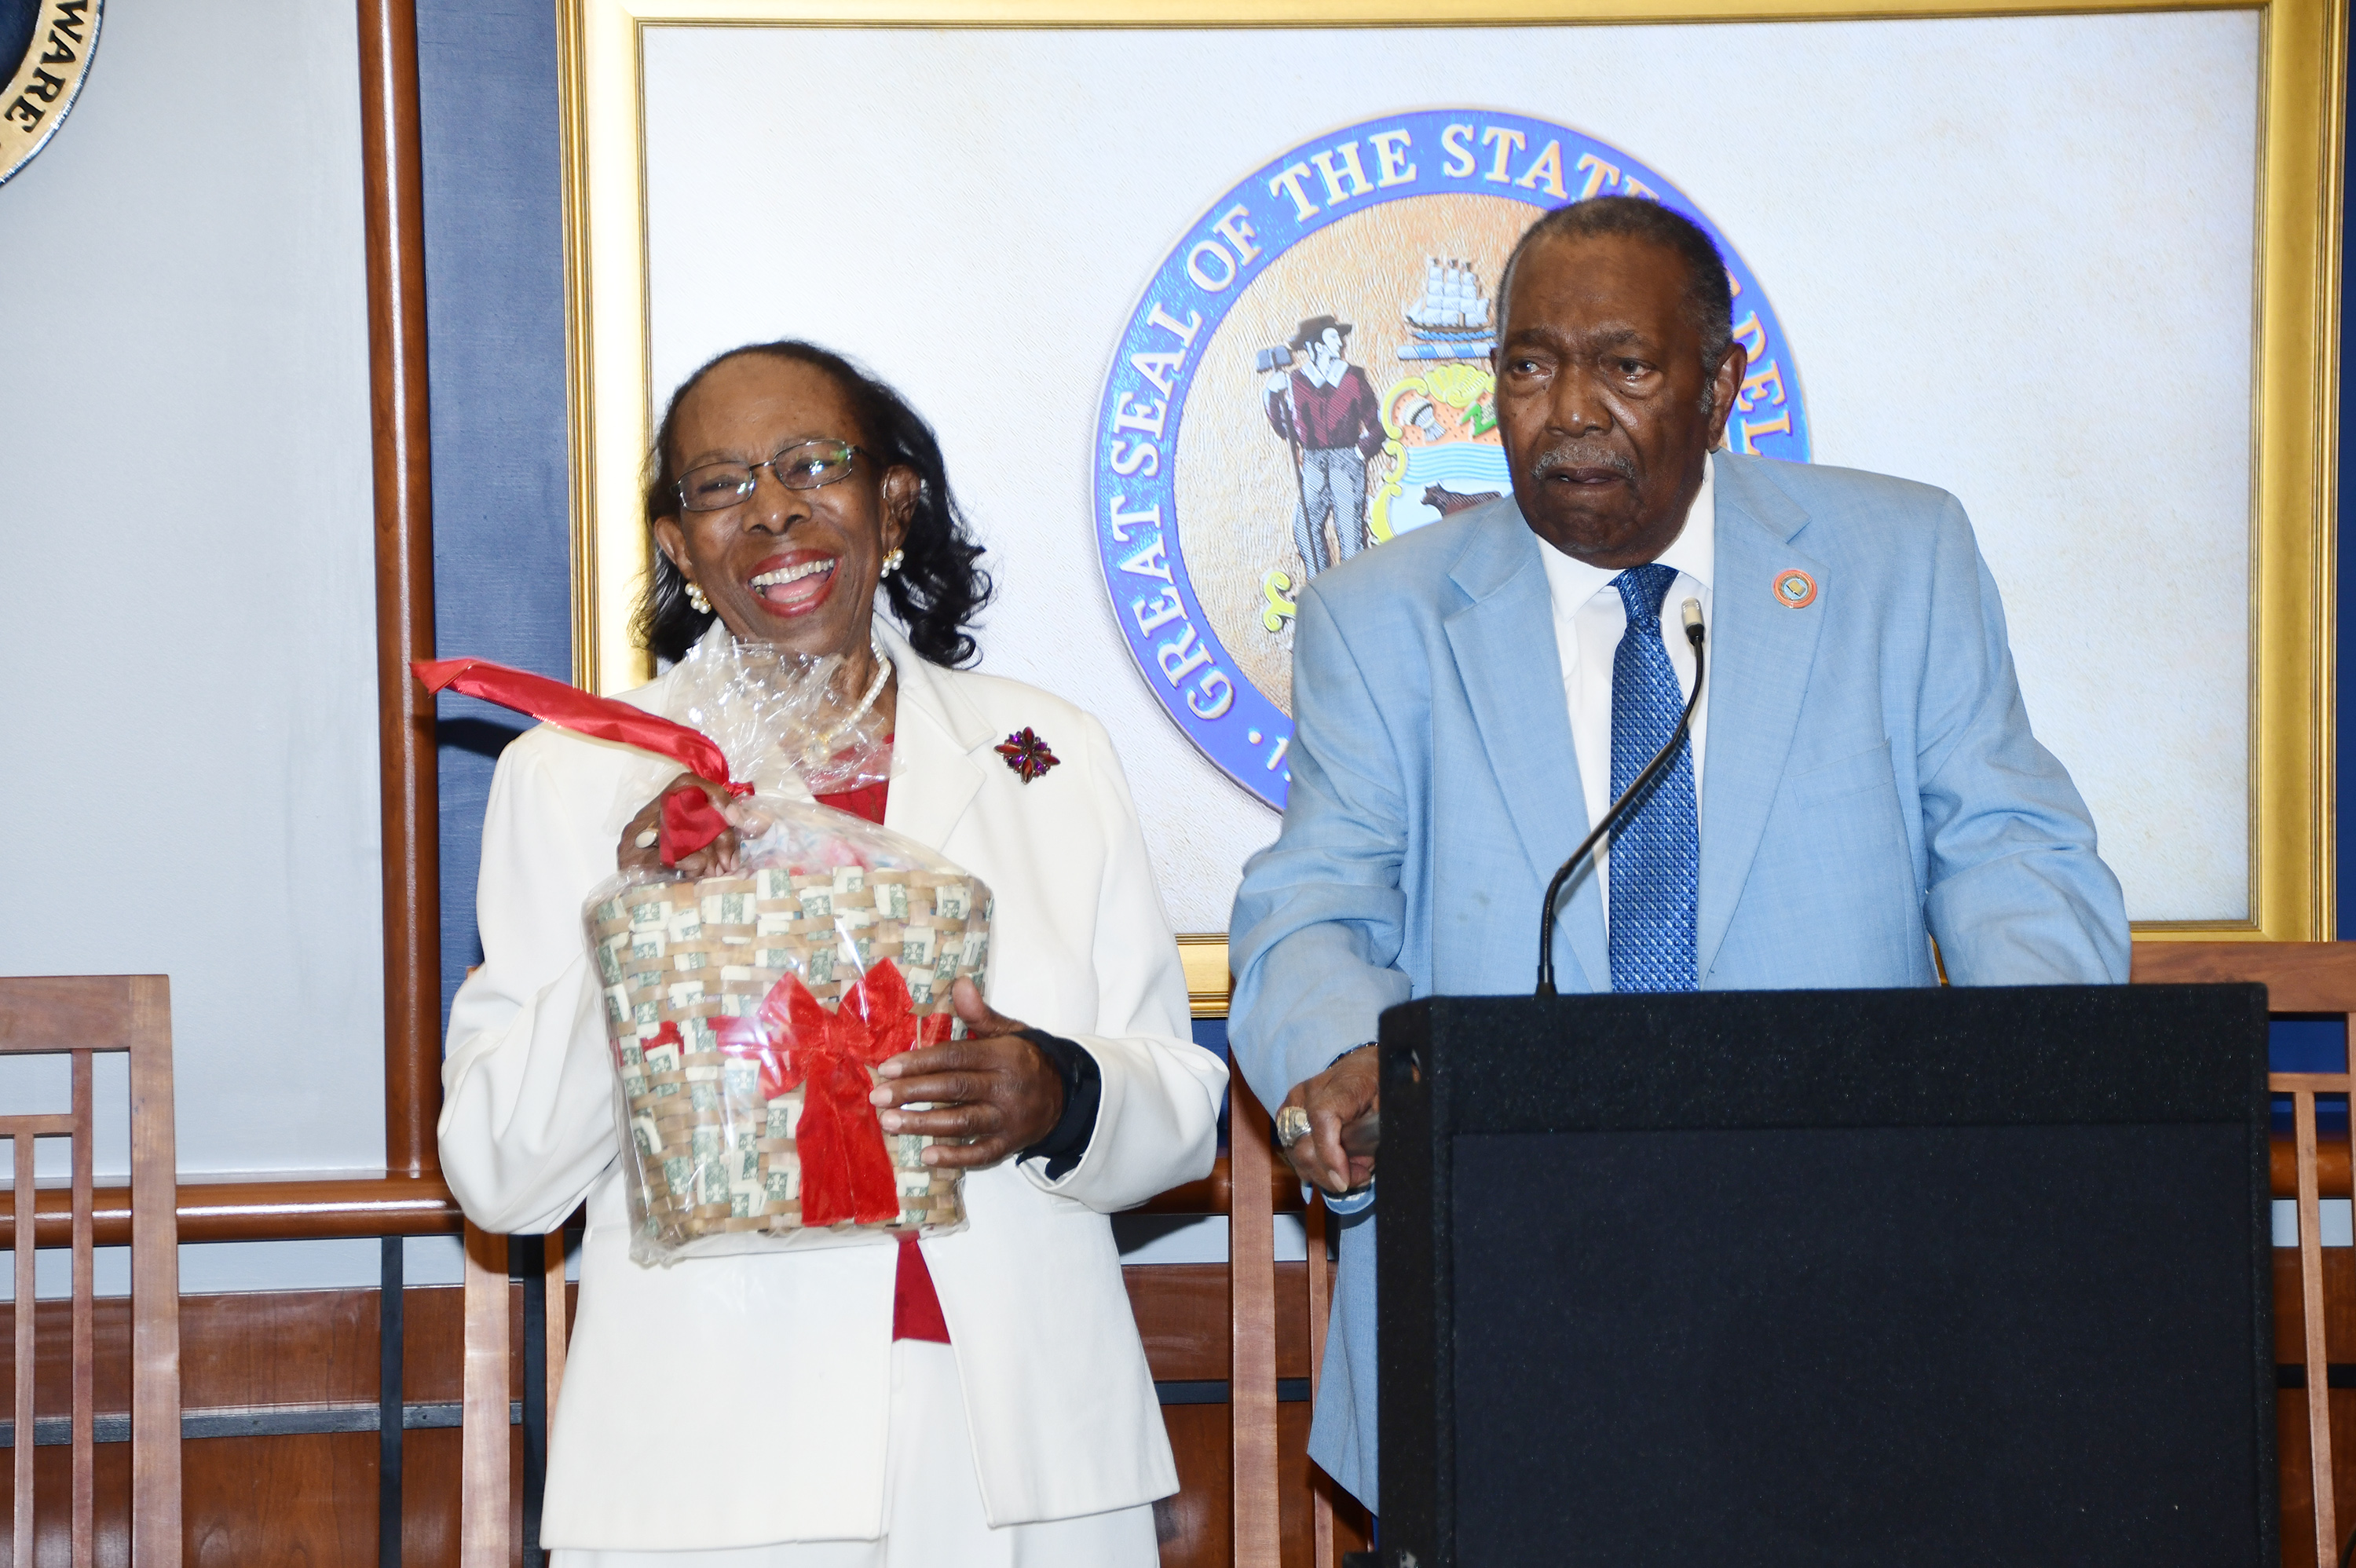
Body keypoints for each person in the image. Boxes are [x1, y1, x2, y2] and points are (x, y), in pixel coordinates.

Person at [1225, 196, 2131, 1513]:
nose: (1570, 409)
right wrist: (1347, 1057)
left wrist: (2027, 1089)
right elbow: (1315, 900)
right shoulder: (1383, 614)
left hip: (1856, 1276)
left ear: (1719, 389)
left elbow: (2009, 850)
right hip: (1511, 1282)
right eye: (1530, 366)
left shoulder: (1896, 557)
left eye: (1627, 366)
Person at [439, 340, 1227, 1565]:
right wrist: (635, 922)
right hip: (715, 1466)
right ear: (678, 547)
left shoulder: (1045, 752)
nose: (773, 509)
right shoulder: (577, 781)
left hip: (1029, 1457)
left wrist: (1058, 1092)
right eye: (721, 485)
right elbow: (500, 1176)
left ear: (893, 500)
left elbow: (1179, 1106)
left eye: (815, 463)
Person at [1263, 315, 1385, 576]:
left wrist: (1361, 452)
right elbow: (1285, 430)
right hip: (1313, 463)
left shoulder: (1353, 377)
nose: (1341, 344)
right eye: (1333, 338)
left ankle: (1353, 590)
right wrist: (1272, 396)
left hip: (1346, 460)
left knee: (1350, 531)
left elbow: (1378, 423)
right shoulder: (1296, 382)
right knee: (1305, 527)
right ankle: (1320, 584)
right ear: (1317, 346)